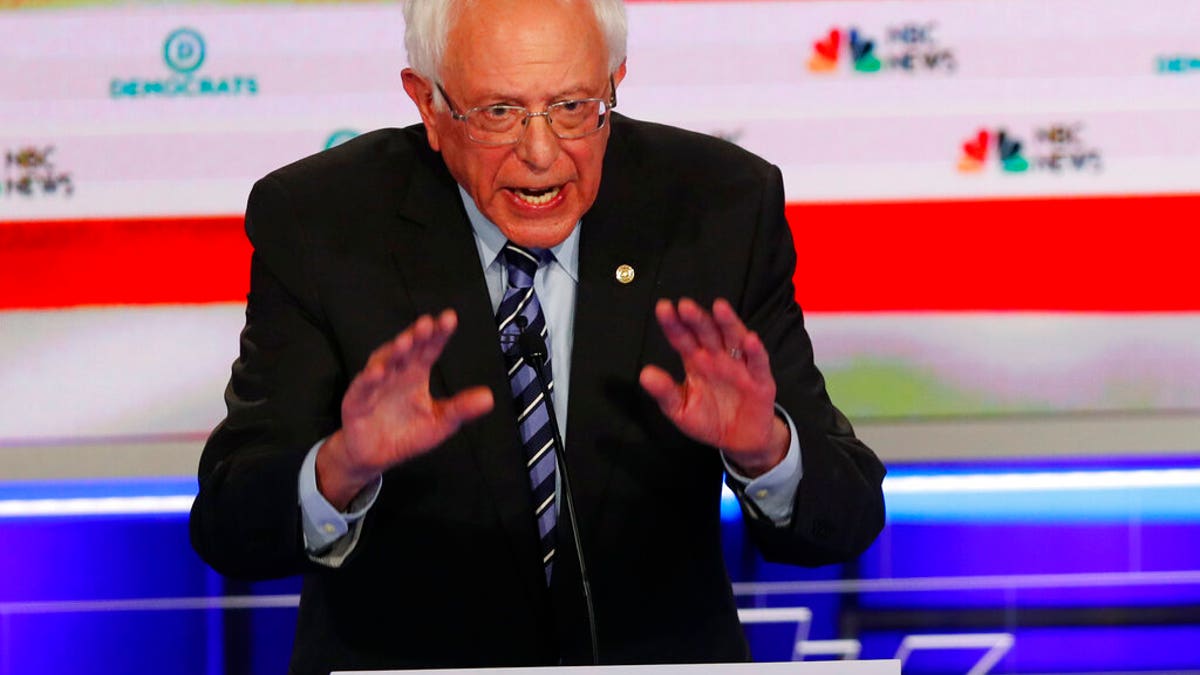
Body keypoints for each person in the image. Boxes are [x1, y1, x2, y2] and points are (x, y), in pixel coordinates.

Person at [190, 0, 885, 672]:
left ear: (614, 83)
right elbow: (230, 524)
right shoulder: (321, 223)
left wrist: (766, 451)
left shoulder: (718, 207)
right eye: (498, 112)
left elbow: (847, 517)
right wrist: (341, 467)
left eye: (574, 106)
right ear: (428, 104)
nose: (542, 152)